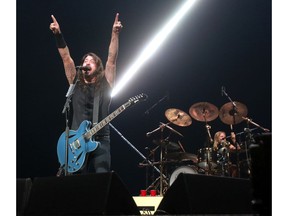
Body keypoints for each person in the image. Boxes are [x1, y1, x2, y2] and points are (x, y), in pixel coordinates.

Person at [50, 13, 123, 174]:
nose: (87, 62)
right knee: (76, 185)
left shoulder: (105, 85)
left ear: (98, 67)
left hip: (101, 139)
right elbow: (66, 58)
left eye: (91, 61)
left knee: (102, 179)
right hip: (75, 141)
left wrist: (115, 34)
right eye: (85, 61)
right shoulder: (75, 82)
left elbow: (112, 59)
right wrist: (58, 35)